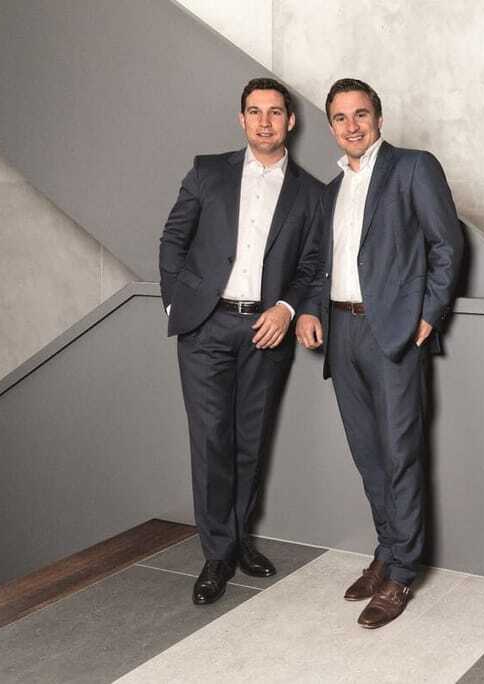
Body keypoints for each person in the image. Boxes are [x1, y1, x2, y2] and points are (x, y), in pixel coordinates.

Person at [296, 78, 464, 629]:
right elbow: (319, 264)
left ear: (379, 118)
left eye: (361, 114)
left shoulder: (413, 168)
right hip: (341, 333)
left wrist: (428, 316)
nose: (352, 126)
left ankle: (403, 572)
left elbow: (446, 244)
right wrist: (311, 311)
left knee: (401, 453)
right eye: (341, 118)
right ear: (331, 127)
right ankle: (386, 551)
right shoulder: (330, 190)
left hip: (392, 332)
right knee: (368, 454)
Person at [159, 77, 325, 605]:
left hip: (266, 331)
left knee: (250, 441)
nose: (264, 122)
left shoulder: (311, 192)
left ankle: (237, 541)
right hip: (205, 326)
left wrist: (286, 308)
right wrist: (177, 305)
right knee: (212, 439)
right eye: (254, 111)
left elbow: (312, 265)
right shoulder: (207, 172)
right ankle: (217, 554)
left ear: (290, 122)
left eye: (274, 112)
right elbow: (173, 240)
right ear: (242, 119)